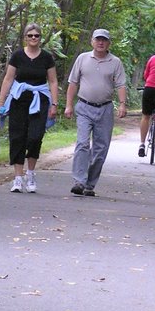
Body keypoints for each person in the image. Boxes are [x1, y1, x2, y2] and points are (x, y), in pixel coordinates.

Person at [0, 22, 59, 194]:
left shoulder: (46, 57)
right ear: (25, 37)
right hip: (19, 99)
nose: (33, 38)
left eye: (36, 35)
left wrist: (54, 104)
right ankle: (18, 177)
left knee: (35, 137)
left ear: (40, 38)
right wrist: (1, 101)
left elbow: (53, 81)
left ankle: (30, 174)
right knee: (17, 137)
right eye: (30, 35)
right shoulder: (17, 56)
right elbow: (8, 79)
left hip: (40, 100)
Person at [64, 29, 127, 196]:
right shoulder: (82, 58)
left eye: (104, 40)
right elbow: (73, 83)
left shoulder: (115, 62)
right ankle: (79, 181)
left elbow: (120, 85)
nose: (100, 42)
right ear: (92, 41)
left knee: (100, 149)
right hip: (84, 107)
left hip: (105, 109)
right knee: (82, 143)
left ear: (108, 43)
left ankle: (89, 184)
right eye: (98, 39)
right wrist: (68, 105)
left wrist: (122, 104)